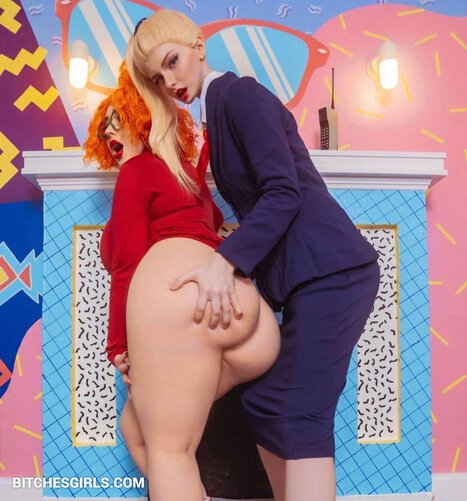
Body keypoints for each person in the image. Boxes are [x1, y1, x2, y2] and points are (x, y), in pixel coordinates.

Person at [126, 10, 381, 501]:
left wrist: (225, 262)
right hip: (308, 277)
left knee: (300, 414)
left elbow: (283, 192)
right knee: (265, 403)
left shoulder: (239, 94)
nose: (170, 82)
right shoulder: (217, 112)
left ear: (198, 46)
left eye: (172, 62)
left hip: (334, 271)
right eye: (158, 78)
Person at [83, 63, 280, 501]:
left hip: (184, 308)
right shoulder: (189, 178)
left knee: (170, 449)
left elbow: (127, 265)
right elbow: (212, 228)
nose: (109, 132)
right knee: (135, 426)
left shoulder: (137, 173)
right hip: (248, 315)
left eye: (118, 120)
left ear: (143, 119)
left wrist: (119, 345)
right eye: (103, 129)